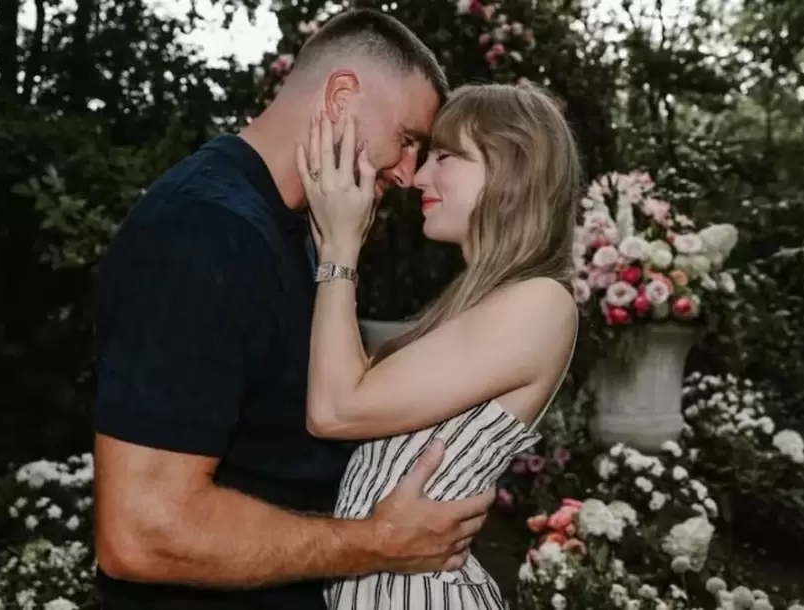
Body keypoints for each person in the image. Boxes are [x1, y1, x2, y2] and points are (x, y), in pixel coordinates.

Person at [90, 9, 495, 610]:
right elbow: (142, 532)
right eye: (408, 140)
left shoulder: (297, 232)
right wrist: (379, 543)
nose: (410, 174)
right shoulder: (206, 229)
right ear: (340, 96)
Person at [295, 82, 581, 609]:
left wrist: (339, 250)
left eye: (445, 157)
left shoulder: (540, 302)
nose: (420, 177)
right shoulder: (480, 304)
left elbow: (334, 410)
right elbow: (351, 386)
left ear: (511, 167)